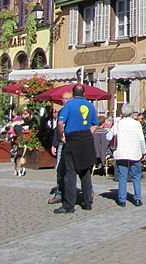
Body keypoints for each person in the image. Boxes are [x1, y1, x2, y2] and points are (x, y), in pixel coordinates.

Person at [55, 84, 98, 213]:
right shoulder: (90, 106)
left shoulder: (69, 105)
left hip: (72, 139)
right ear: (84, 94)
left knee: (70, 173)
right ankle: (87, 202)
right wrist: (88, 134)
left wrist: (61, 136)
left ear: (73, 94)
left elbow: (60, 123)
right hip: (86, 139)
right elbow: (95, 124)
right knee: (85, 172)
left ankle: (69, 205)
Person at [107, 104, 146, 207]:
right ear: (132, 113)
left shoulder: (118, 124)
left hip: (121, 153)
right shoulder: (137, 124)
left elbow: (108, 136)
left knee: (122, 177)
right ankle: (137, 198)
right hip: (135, 153)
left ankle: (122, 199)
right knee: (136, 176)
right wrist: (144, 151)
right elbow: (142, 140)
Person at [48, 91, 71, 205]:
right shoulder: (61, 111)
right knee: (59, 169)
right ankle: (59, 193)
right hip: (61, 143)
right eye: (63, 99)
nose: (64, 101)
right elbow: (57, 129)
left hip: (73, 143)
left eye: (67, 99)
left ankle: (84, 193)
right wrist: (54, 144)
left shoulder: (75, 111)